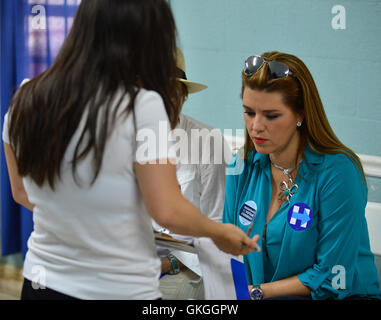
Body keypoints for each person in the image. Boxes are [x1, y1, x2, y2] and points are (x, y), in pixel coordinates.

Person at [2, 0, 259, 300]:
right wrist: (220, 233)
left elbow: (21, 193)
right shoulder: (141, 107)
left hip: (42, 282)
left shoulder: (25, 98)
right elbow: (167, 210)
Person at [222, 51, 381, 300]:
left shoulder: (338, 172)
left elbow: (332, 277)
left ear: (301, 114)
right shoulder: (241, 165)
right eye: (249, 112)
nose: (256, 126)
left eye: (271, 115)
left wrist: (255, 293)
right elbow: (229, 250)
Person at [155, 48, 231, 300]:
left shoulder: (209, 142)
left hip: (189, 263)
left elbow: (218, 225)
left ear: (184, 96)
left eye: (171, 92)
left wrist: (168, 264)